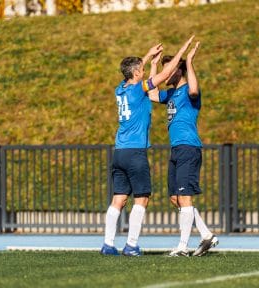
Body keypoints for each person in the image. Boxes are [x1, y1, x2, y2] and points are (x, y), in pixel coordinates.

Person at [101, 36, 196, 256]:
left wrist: (149, 57)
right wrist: (181, 53)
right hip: (135, 152)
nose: (143, 71)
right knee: (142, 197)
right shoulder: (138, 90)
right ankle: (132, 244)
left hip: (119, 152)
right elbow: (163, 76)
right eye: (141, 70)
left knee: (119, 198)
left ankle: (108, 244)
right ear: (136, 74)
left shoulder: (121, 89)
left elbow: (134, 72)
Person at [149, 41, 219, 257]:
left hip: (189, 148)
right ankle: (206, 235)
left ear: (179, 71)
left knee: (185, 198)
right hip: (176, 150)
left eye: (169, 69)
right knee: (175, 198)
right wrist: (153, 65)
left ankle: (182, 247)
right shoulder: (169, 94)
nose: (165, 74)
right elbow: (152, 94)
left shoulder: (189, 90)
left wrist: (189, 62)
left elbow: (195, 89)